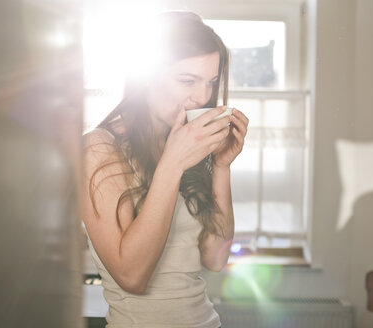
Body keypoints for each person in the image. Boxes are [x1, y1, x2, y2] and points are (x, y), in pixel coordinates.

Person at [81, 10, 248, 328]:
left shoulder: (187, 145)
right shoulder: (99, 148)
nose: (202, 96)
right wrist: (173, 163)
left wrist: (222, 166)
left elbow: (215, 258)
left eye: (210, 83)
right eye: (187, 80)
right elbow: (132, 277)